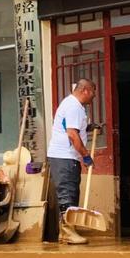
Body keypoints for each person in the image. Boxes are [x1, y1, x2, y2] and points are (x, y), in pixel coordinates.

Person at [47, 78, 97, 245]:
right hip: (64, 156)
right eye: (93, 92)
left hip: (67, 156)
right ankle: (68, 232)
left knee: (71, 193)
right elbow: (72, 134)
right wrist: (86, 156)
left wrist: (90, 127)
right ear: (85, 91)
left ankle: (65, 231)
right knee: (67, 194)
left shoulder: (74, 105)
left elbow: (72, 127)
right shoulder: (74, 106)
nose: (94, 96)